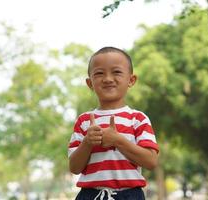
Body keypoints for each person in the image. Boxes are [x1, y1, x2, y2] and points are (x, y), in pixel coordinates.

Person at [68, 46, 159, 200]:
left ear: (131, 80)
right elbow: (74, 167)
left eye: (116, 72)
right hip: (90, 195)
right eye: (99, 73)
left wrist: (118, 140)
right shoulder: (84, 121)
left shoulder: (138, 119)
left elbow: (150, 162)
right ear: (90, 83)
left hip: (129, 195)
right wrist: (87, 143)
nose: (108, 79)